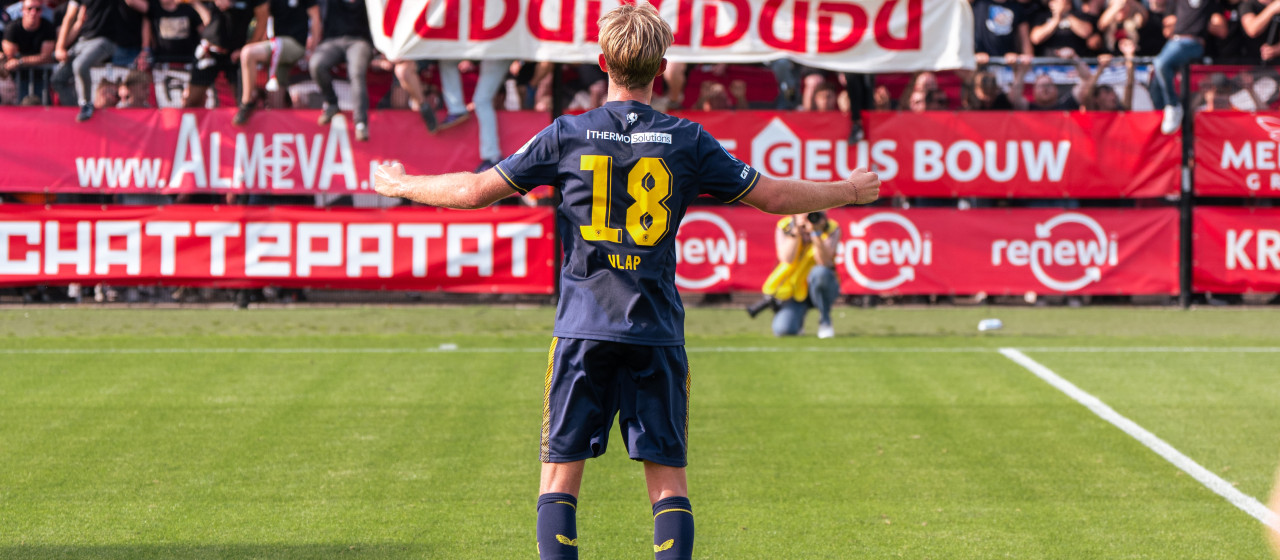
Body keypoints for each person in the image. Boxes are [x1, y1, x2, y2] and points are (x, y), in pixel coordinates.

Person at [370, 5, 880, 558]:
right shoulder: (686, 139)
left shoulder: (566, 134)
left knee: (559, 481)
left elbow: (472, 192)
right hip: (655, 330)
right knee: (668, 484)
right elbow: (774, 197)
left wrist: (401, 184)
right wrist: (848, 190)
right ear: (661, 67)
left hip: (584, 328)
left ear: (602, 62)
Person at [747, 211, 841, 339]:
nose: (809, 216)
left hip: (821, 287)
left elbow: (823, 262)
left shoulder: (830, 228)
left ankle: (825, 321)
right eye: (804, 211)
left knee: (820, 273)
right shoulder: (785, 226)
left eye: (813, 212)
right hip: (794, 290)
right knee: (783, 330)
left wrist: (816, 233)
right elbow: (787, 258)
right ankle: (797, 321)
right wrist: (796, 230)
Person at [232, 0, 319, 125]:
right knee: (275, 101)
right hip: (278, 48)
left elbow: (315, 17)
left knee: (248, 53)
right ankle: (277, 127)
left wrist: (313, 49)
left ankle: (246, 102)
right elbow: (262, 16)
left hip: (295, 44)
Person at [1151, 0, 1223, 134]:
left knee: (1160, 63)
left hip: (1193, 43)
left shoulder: (1208, 4)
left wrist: (1191, 22)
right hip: (1174, 43)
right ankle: (1167, 110)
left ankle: (1173, 105)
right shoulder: (1176, 2)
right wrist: (1183, 22)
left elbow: (1221, 26)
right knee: (1156, 77)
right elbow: (1167, 27)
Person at [309, 0, 372, 139]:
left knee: (356, 72)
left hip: (359, 41)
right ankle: (332, 103)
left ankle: (361, 122)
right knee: (316, 64)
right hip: (332, 42)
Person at [3, 0, 57, 103]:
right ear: (22, 10)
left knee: (43, 108)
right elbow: (10, 57)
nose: (33, 12)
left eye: (37, 9)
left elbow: (46, 57)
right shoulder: (12, 28)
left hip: (42, 78)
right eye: (29, 9)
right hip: (17, 80)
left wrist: (20, 61)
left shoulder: (47, 27)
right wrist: (33, 60)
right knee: (20, 110)